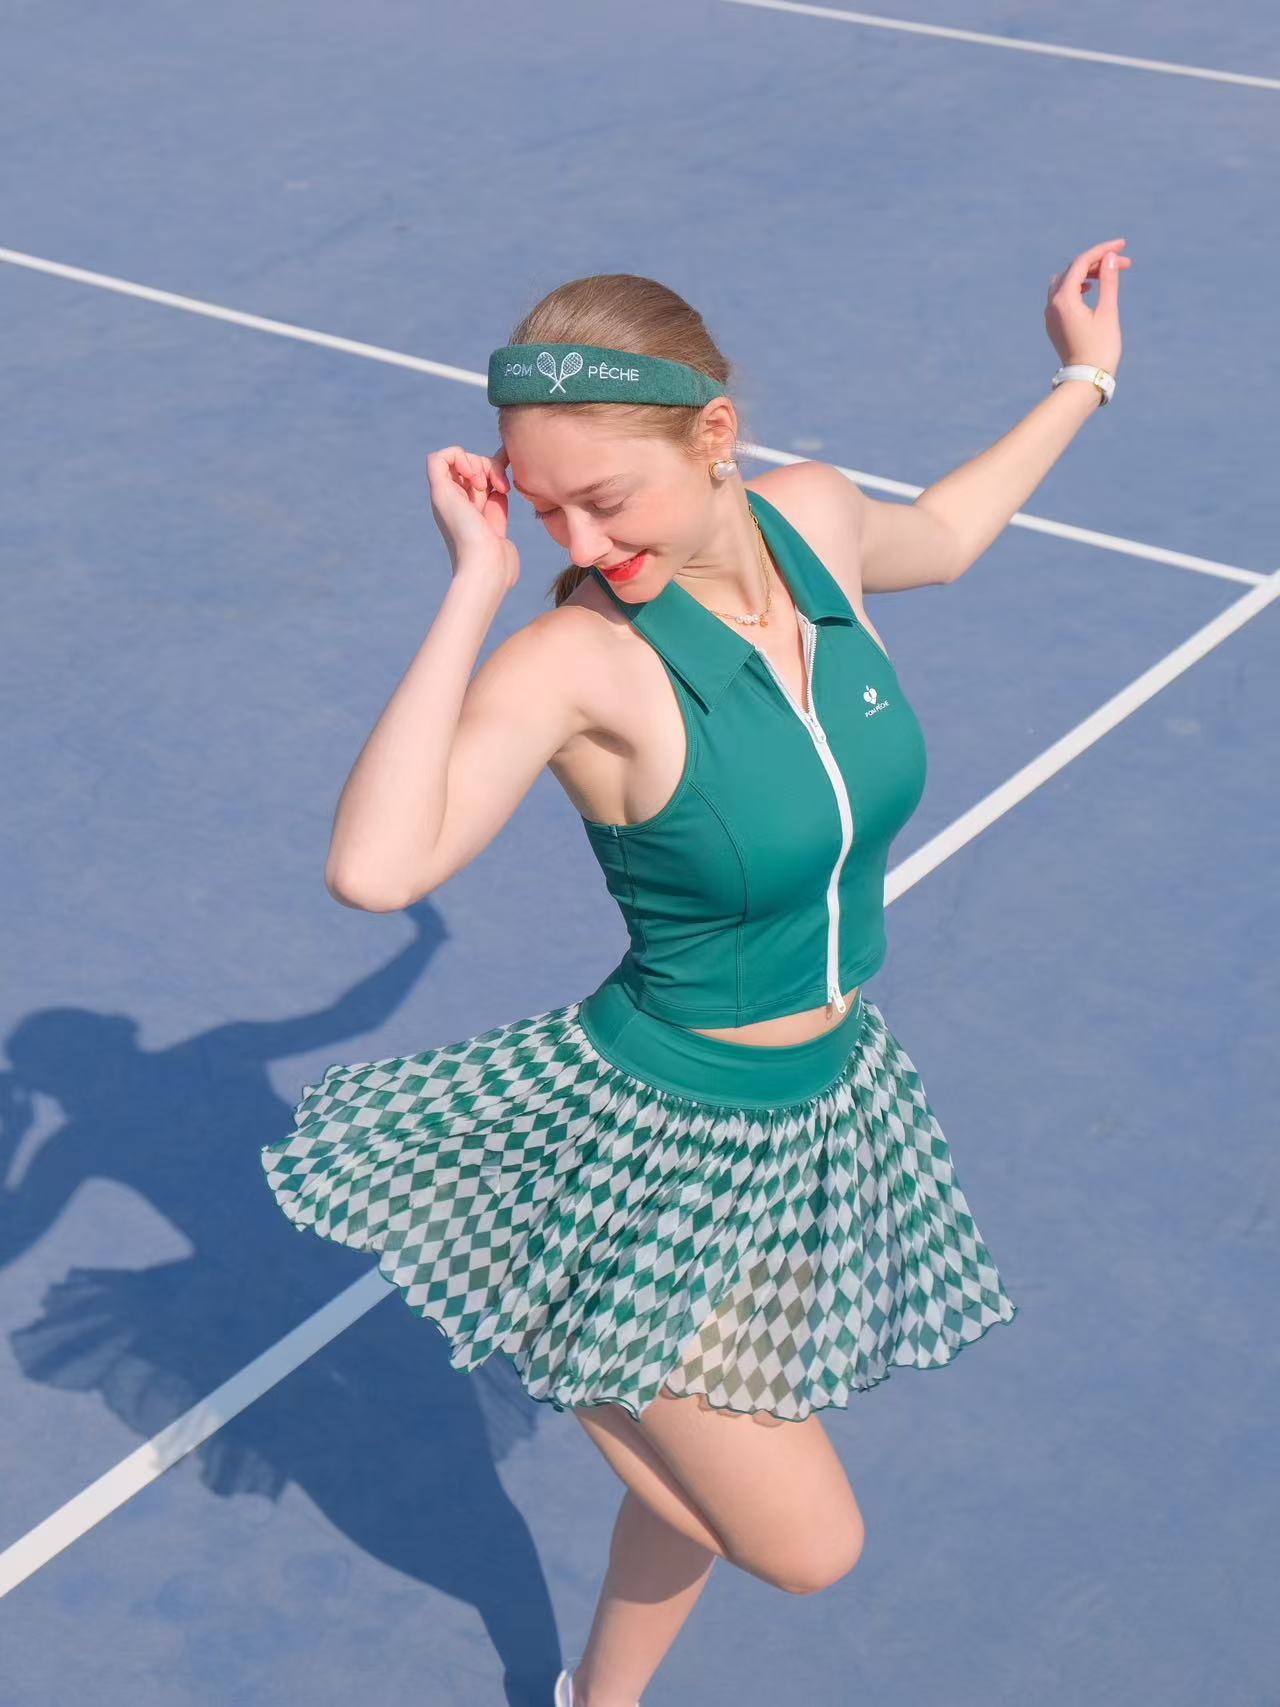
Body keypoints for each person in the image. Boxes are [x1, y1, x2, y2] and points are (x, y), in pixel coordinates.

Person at [261, 255, 1125, 1706]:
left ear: (714, 439)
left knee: (698, 1490)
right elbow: (377, 871)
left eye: (608, 499)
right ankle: (557, 1301)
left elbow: (954, 537)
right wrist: (476, 588)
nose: (584, 541)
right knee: (804, 1544)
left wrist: (1083, 377)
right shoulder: (580, 662)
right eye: (548, 510)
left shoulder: (817, 520)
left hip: (814, 1121)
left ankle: (599, 1701)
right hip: (651, 1143)